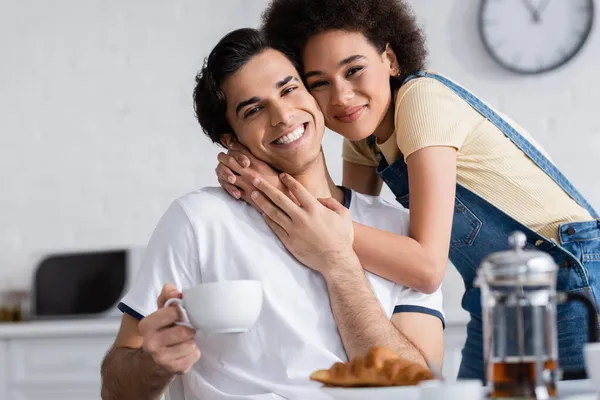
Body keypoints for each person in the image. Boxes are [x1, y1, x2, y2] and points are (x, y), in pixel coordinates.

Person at [214, 0, 600, 381]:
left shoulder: (421, 100)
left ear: (391, 60)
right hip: (495, 293)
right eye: (320, 84)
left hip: (567, 275)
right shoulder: (363, 134)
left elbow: (425, 268)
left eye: (354, 70)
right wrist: (258, 170)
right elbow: (339, 213)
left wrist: (281, 199)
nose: (342, 96)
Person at [100, 28, 444, 400]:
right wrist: (155, 364)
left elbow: (421, 389)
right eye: (254, 109)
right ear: (231, 141)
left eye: (289, 89)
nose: (282, 115)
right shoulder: (199, 221)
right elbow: (117, 388)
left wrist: (337, 262)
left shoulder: (397, 231)